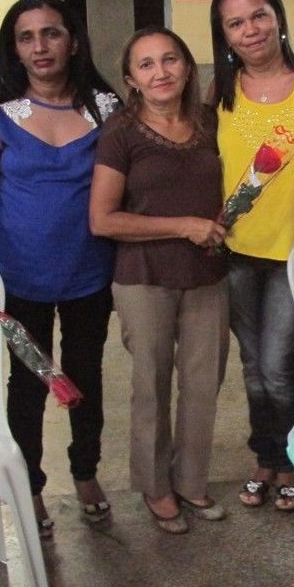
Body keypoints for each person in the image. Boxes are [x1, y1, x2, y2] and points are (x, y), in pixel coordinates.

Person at [0, 0, 119, 537]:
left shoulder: (105, 108)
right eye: (26, 37)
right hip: (20, 281)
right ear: (14, 49)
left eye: (51, 33)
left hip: (90, 276)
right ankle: (30, 487)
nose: (40, 46)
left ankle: (85, 473)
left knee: (87, 378)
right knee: (28, 386)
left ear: (73, 41)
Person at [210, 0, 294, 512]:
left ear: (279, 17)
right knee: (251, 366)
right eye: (236, 22)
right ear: (224, 35)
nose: (250, 30)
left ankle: (291, 461)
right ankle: (264, 457)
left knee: (276, 362)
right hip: (237, 250)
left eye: (258, 15)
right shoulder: (219, 94)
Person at [90, 27, 229, 535]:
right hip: (143, 278)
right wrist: (182, 225)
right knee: (151, 383)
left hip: (207, 275)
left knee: (203, 385)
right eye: (146, 65)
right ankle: (155, 486)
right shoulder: (121, 134)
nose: (161, 72)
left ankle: (191, 480)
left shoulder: (211, 123)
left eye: (170, 59)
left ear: (188, 67)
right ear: (131, 79)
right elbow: (102, 219)